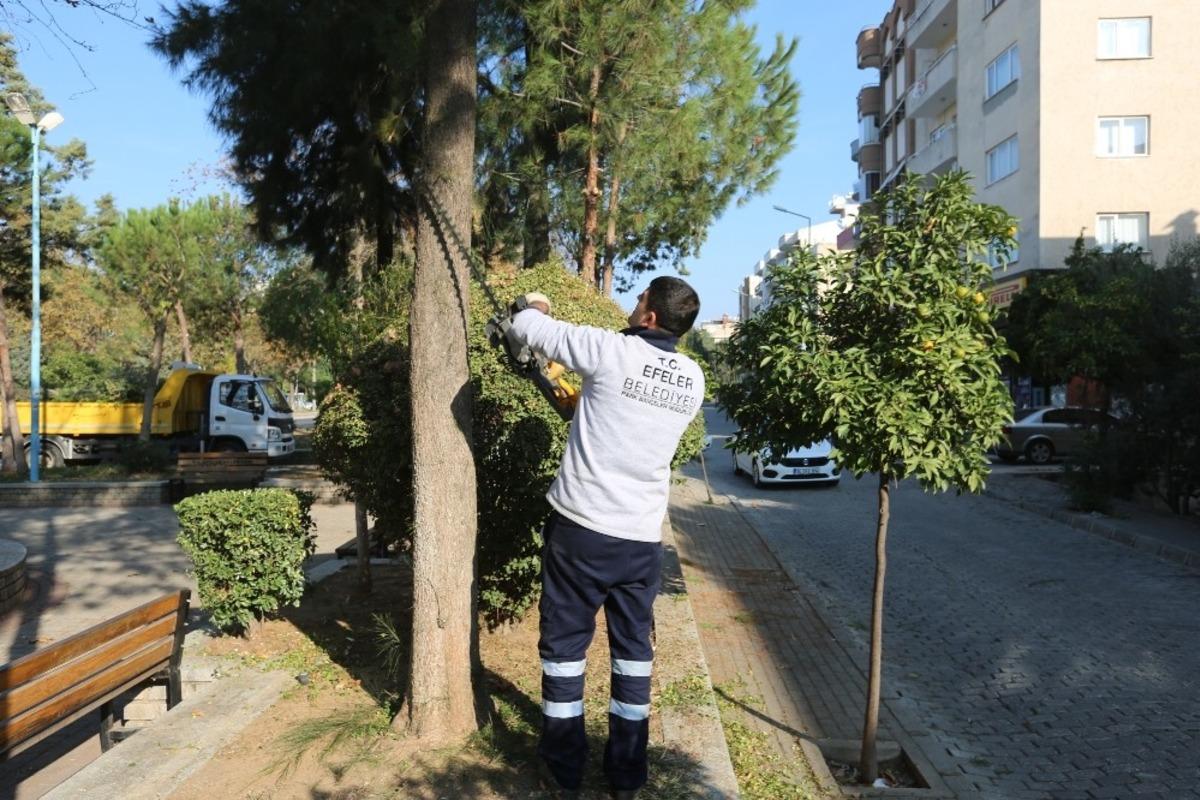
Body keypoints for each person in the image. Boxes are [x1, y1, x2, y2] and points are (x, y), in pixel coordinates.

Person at [508, 276, 705, 799]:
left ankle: (564, 768)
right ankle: (625, 777)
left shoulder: (608, 350)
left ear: (649, 317)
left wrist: (537, 303)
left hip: (581, 532)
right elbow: (616, 418)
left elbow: (527, 326)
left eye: (639, 298)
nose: (632, 304)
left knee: (565, 651)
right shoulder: (692, 379)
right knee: (633, 656)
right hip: (642, 543)